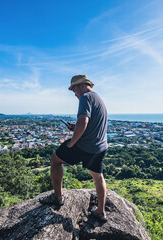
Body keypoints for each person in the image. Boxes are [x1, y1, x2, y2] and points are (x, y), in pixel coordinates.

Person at [40, 74, 108, 222]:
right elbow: (90, 124)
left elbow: (83, 122)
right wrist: (75, 128)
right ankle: (101, 212)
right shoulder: (98, 99)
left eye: (74, 90)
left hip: (85, 146)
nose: (75, 94)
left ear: (82, 86)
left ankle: (58, 197)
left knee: (55, 159)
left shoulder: (85, 97)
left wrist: (71, 143)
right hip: (100, 146)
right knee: (98, 177)